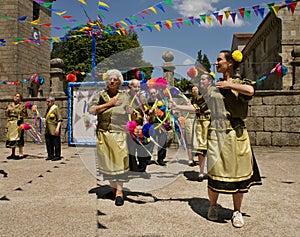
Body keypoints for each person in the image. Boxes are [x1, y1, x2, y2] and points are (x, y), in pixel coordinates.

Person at [205, 50, 262, 227]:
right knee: (214, 173)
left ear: (230, 62)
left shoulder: (240, 82)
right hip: (217, 132)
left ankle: (236, 211)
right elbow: (200, 107)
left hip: (236, 133)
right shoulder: (213, 86)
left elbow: (251, 90)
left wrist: (230, 86)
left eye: (219, 59)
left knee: (238, 176)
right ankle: (213, 206)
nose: (216, 63)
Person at [88, 69, 131, 206]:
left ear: (119, 83)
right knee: (108, 164)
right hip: (103, 133)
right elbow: (91, 110)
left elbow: (135, 116)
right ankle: (113, 189)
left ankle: (119, 192)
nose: (112, 81)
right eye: (110, 79)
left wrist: (133, 113)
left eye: (115, 79)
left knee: (120, 162)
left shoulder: (125, 97)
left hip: (119, 134)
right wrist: (109, 104)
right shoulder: (100, 95)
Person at [126, 79, 152, 178]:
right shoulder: (125, 98)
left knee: (143, 149)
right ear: (130, 87)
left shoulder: (142, 97)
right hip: (129, 127)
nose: (137, 89)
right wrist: (130, 112)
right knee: (131, 149)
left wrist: (151, 113)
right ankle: (132, 169)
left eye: (138, 87)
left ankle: (142, 170)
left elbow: (146, 111)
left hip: (140, 127)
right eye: (135, 87)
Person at [147, 88, 169, 166]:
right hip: (151, 124)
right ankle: (147, 159)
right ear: (149, 94)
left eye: (154, 93)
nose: (153, 95)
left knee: (162, 142)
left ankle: (161, 159)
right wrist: (151, 113)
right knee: (150, 142)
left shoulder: (162, 102)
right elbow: (145, 114)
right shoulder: (147, 103)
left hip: (161, 124)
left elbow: (167, 112)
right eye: (151, 93)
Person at [5, 92, 28, 159]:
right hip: (11, 122)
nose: (16, 97)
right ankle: (13, 153)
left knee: (19, 137)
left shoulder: (22, 106)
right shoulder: (9, 105)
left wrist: (21, 113)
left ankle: (21, 153)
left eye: (18, 96)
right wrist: (7, 111)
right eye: (15, 96)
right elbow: (6, 115)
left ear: (20, 99)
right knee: (12, 138)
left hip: (18, 122)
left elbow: (26, 115)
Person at [44, 96, 63, 161]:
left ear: (52, 102)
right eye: (46, 101)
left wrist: (57, 128)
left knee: (56, 142)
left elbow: (59, 119)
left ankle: (57, 155)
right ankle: (50, 155)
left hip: (54, 128)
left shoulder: (55, 108)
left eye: (48, 101)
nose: (47, 103)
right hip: (48, 129)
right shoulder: (48, 109)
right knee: (49, 142)